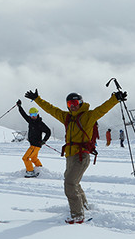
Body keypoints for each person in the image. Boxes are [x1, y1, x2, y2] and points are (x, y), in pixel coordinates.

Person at [25, 88, 127, 224]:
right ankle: (83, 206)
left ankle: (77, 215)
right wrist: (37, 99)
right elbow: (52, 110)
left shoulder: (88, 116)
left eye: (74, 102)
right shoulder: (67, 117)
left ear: (80, 103)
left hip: (82, 156)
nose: (72, 106)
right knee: (73, 182)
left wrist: (115, 98)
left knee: (70, 184)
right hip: (70, 155)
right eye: (69, 104)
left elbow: (102, 109)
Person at [16, 99, 51, 178]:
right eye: (31, 115)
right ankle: (40, 170)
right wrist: (19, 106)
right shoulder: (30, 121)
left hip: (36, 145)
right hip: (33, 144)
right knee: (34, 158)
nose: (33, 116)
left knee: (26, 158)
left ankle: (30, 172)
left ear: (37, 114)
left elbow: (48, 131)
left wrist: (44, 140)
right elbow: (23, 115)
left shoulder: (40, 123)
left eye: (35, 114)